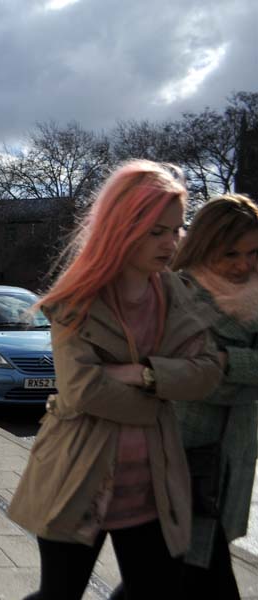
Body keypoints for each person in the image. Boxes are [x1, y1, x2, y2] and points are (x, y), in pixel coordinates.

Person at [7, 160, 224, 600]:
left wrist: (144, 374)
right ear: (122, 227)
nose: (171, 243)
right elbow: (82, 390)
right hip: (77, 477)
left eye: (177, 229)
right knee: (59, 594)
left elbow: (209, 371)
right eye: (156, 231)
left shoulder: (178, 294)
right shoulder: (76, 298)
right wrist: (164, 390)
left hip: (154, 485)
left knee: (156, 590)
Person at [164, 194, 258, 599]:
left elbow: (215, 368)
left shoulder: (254, 297)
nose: (244, 264)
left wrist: (225, 359)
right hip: (187, 466)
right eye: (231, 253)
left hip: (228, 467)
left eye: (253, 252)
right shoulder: (180, 295)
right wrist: (230, 366)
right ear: (204, 247)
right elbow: (200, 378)